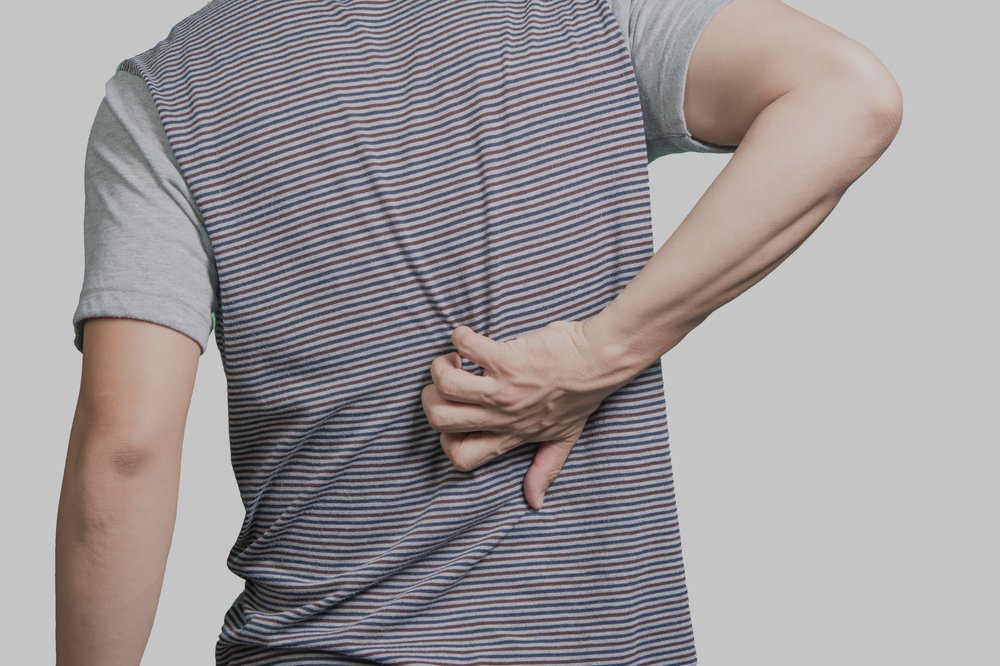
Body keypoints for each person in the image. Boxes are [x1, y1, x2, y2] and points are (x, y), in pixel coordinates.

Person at [56, 0, 902, 663]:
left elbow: (125, 448)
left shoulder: (163, 99)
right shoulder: (586, 14)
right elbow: (848, 94)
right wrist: (604, 349)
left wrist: (593, 356)